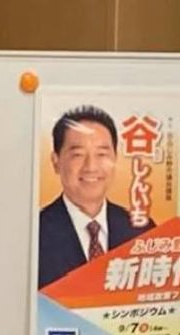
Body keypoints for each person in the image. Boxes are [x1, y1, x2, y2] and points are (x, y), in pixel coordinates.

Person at [38, 105, 155, 289]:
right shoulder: (35, 231)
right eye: (78, 154)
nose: (91, 167)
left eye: (102, 154)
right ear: (56, 161)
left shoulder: (142, 229)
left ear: (115, 158)